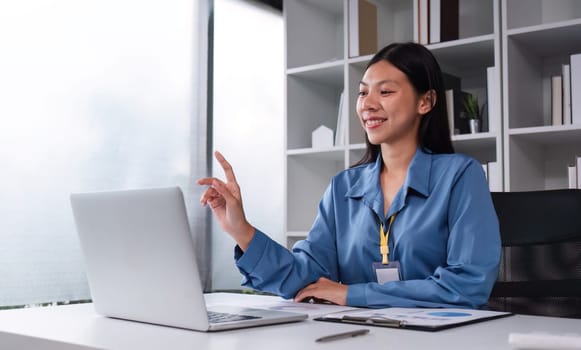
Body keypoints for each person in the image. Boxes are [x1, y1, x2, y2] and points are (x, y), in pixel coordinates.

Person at [198, 42, 501, 309]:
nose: (368, 104)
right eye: (362, 92)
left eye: (385, 91)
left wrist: (353, 294)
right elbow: (304, 278)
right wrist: (242, 231)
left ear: (426, 102)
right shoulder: (343, 187)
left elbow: (467, 285)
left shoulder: (461, 176)